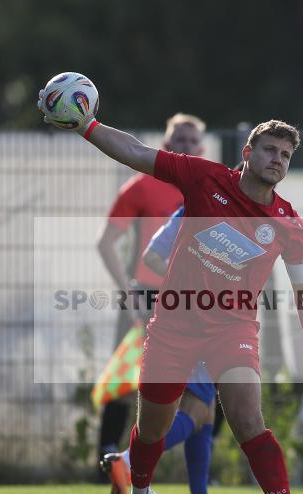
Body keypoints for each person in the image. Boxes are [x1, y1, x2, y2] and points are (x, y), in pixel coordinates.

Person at [44, 100, 303, 494]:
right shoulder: (204, 178)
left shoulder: (289, 226)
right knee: (153, 430)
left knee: (247, 421)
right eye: (269, 150)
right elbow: (137, 152)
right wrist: (88, 127)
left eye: (285, 155)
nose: (277, 160)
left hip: (232, 329)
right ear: (247, 152)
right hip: (174, 324)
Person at [93, 114, 205, 473]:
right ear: (166, 144)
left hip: (189, 300)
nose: (185, 146)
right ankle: (107, 456)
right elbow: (106, 242)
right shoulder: (141, 187)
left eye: (192, 141)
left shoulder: (207, 190)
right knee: (127, 378)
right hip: (145, 294)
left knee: (197, 386)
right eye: (179, 139)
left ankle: (192, 482)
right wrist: (127, 292)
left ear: (200, 147)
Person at [101, 206, 222, 494]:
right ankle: (126, 462)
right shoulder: (230, 212)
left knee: (205, 412)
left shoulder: (190, 207)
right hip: (204, 320)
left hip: (175, 315)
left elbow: (151, 257)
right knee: (195, 412)